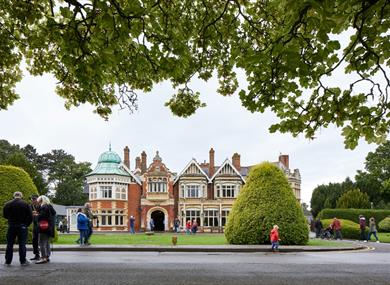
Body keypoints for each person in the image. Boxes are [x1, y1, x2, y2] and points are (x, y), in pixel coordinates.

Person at [3, 191, 33, 266]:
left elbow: (5, 215)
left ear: (14, 196)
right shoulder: (25, 204)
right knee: (22, 244)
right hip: (22, 226)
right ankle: (23, 261)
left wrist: (10, 220)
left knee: (9, 244)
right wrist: (26, 224)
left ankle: (8, 261)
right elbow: (30, 216)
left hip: (12, 225)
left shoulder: (7, 204)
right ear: (21, 196)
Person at [35, 195, 56, 264]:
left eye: (39, 201)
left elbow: (42, 217)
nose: (38, 202)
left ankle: (43, 257)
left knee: (41, 243)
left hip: (43, 227)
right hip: (49, 227)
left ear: (41, 201)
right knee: (47, 243)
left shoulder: (44, 207)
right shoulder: (50, 207)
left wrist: (36, 215)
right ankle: (47, 256)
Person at [30, 194, 41, 261]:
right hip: (35, 225)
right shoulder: (31, 206)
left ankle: (44, 255)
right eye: (32, 199)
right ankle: (36, 254)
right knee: (34, 240)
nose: (33, 200)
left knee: (42, 241)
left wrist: (37, 214)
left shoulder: (41, 205)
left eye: (34, 199)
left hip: (41, 225)